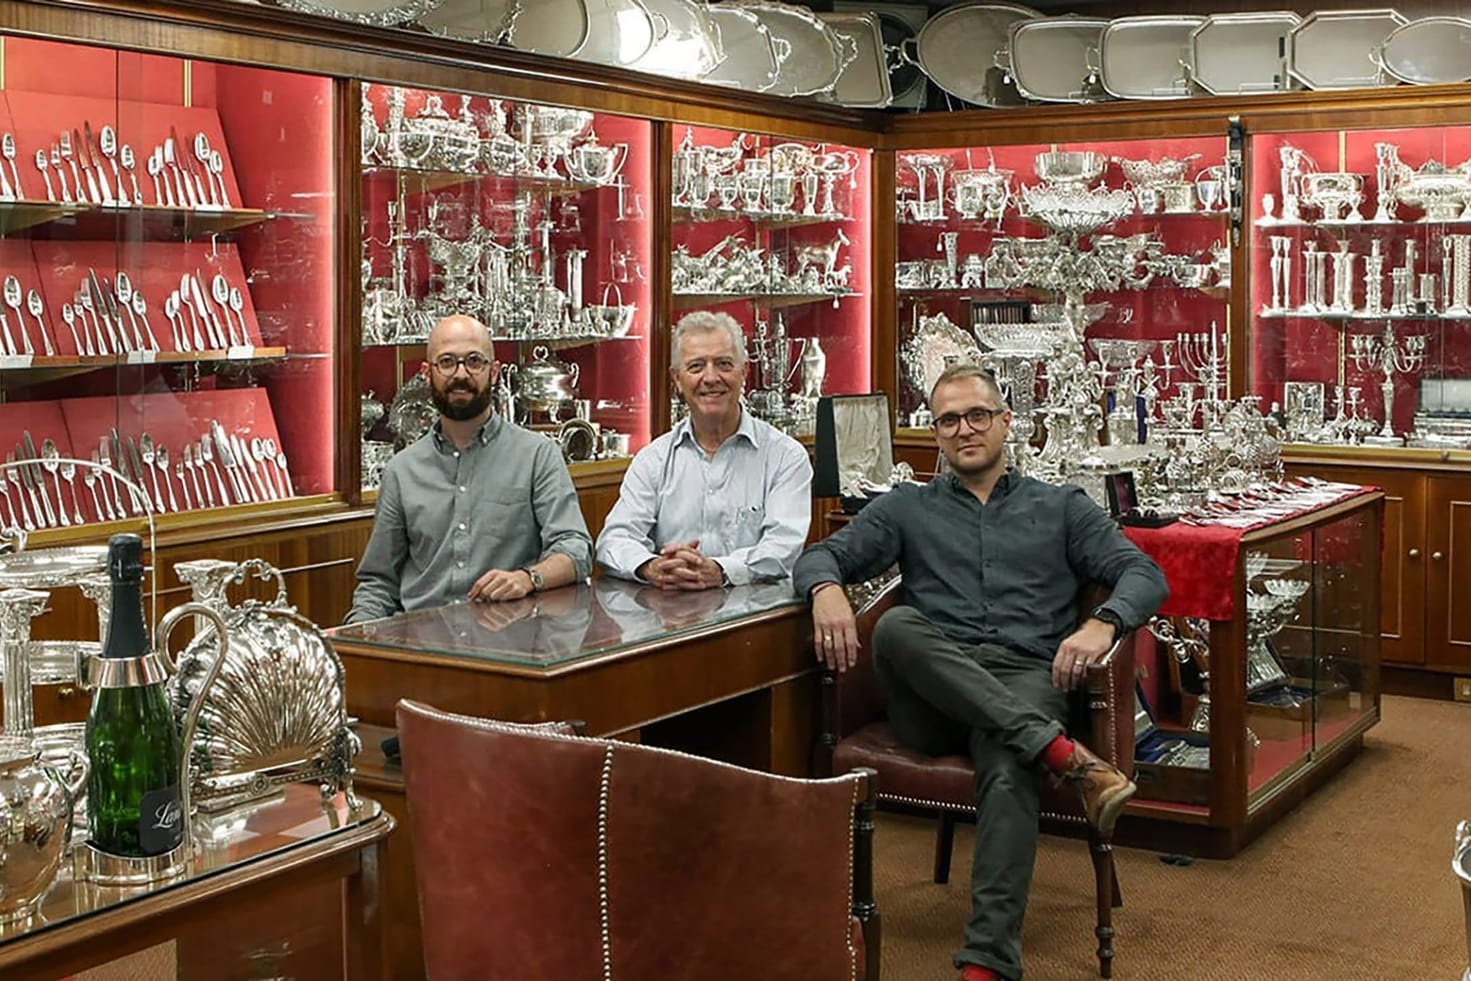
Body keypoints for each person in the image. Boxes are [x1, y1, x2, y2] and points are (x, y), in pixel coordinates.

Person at [791, 363, 1168, 981]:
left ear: (1005, 423)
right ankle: (1062, 755)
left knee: (1007, 762)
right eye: (949, 420)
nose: (964, 429)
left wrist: (1102, 623)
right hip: (932, 700)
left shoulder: (1062, 507)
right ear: (935, 433)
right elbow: (823, 555)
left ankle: (987, 965)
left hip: (1024, 677)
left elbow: (1144, 574)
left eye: (978, 415)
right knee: (896, 627)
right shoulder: (905, 508)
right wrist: (826, 589)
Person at [345, 314, 592, 624]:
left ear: (494, 372)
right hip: (423, 647)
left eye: (474, 361)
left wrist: (527, 578)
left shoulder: (537, 456)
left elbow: (576, 551)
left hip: (509, 645)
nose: (460, 374)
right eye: (446, 362)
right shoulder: (401, 471)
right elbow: (379, 583)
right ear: (426, 374)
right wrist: (356, 643)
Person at [596, 310, 812, 589]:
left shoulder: (785, 457)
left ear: (744, 371)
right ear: (677, 379)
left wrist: (720, 570)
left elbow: (783, 549)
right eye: (696, 367)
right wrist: (653, 566)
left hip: (758, 620)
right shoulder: (653, 460)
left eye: (724, 364)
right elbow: (614, 540)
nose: (711, 378)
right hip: (670, 617)